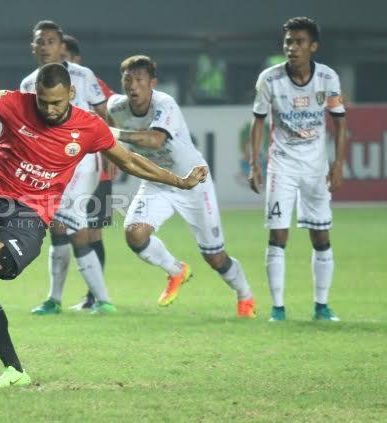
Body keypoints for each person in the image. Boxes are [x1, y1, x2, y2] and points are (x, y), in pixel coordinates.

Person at [0, 63, 208, 389]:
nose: (49, 110)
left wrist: (179, 181)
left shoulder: (89, 126)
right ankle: (14, 371)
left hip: (32, 215)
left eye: (57, 103)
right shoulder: (15, 103)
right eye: (44, 102)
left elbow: (130, 160)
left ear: (71, 95)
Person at [109, 55, 256, 317]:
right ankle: (176, 271)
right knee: (135, 234)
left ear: (152, 83)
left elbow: (154, 141)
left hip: (193, 182)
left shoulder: (165, 104)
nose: (133, 86)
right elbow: (99, 127)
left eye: (139, 80)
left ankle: (245, 295)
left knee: (214, 256)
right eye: (127, 80)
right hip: (157, 182)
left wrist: (114, 134)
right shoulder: (116, 108)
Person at [248, 17, 347, 322]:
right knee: (278, 235)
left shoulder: (328, 78)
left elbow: (340, 122)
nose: (292, 47)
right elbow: (259, 121)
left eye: (299, 42)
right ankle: (278, 309)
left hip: (316, 169)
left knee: (321, 237)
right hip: (282, 167)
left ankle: (322, 306)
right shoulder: (270, 79)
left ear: (313, 46)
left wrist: (338, 163)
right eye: (288, 41)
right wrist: (255, 163)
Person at [20, 21, 114, 315]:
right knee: (60, 227)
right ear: (33, 48)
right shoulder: (27, 84)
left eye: (51, 41)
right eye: (41, 41)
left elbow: (103, 113)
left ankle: (102, 299)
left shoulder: (83, 76)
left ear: (62, 46)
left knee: (68, 220)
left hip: (83, 159)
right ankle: (56, 299)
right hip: (50, 165)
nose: (46, 46)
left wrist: (111, 152)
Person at [61, 33, 120, 311]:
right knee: (69, 229)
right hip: (68, 167)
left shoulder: (90, 81)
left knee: (93, 232)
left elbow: (110, 114)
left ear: (76, 58)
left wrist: (111, 152)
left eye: (69, 57)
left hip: (96, 167)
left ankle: (94, 296)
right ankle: (88, 297)